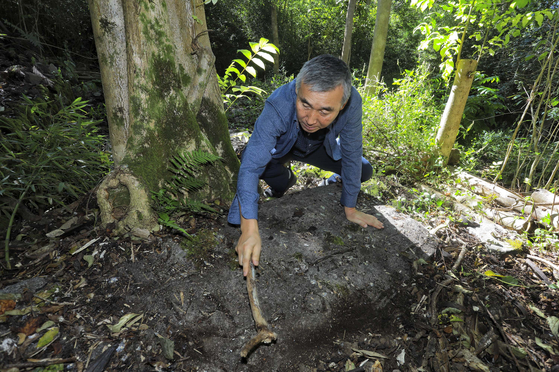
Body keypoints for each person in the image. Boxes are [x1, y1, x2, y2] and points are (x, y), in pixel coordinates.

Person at [228, 54, 384, 276]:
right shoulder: (279, 102)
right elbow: (251, 165)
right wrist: (249, 227)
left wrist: (350, 208)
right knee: (263, 168)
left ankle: (332, 182)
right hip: (281, 150)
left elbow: (351, 152)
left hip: (319, 148)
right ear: (297, 91)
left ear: (343, 104)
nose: (311, 120)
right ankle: (285, 182)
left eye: (325, 111)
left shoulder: (353, 104)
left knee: (364, 169)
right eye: (305, 104)